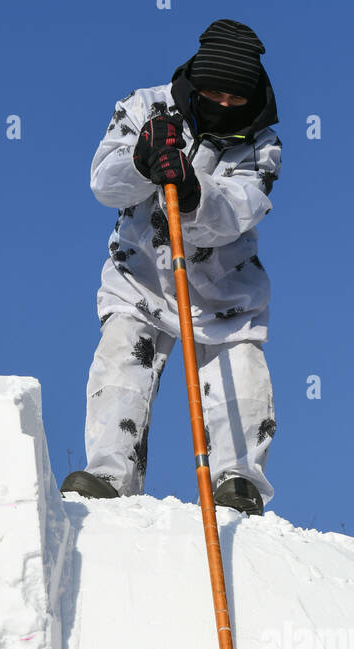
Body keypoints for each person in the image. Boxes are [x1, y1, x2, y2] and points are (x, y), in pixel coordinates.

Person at [60, 18, 281, 516]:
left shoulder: (262, 144)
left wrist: (195, 190)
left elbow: (239, 209)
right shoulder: (144, 107)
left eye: (236, 98)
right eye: (215, 92)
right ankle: (109, 475)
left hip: (224, 290)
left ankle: (237, 482)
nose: (224, 104)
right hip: (139, 276)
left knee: (238, 378)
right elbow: (103, 182)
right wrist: (141, 162)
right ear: (198, 82)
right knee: (122, 361)